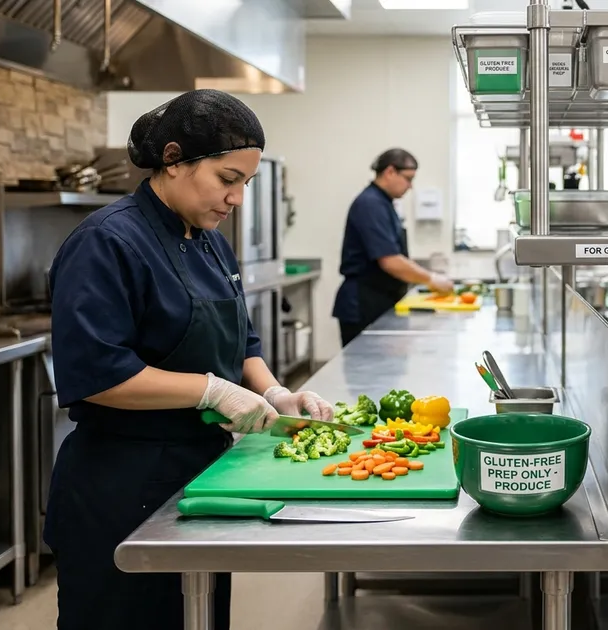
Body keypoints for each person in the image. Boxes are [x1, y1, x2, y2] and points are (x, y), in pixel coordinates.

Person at [44, 89, 335, 630]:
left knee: (197, 615)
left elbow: (242, 343)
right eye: (228, 179)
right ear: (174, 160)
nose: (236, 199)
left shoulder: (211, 241)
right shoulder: (107, 242)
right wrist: (211, 390)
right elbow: (98, 374)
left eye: (246, 183)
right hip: (122, 486)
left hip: (201, 477)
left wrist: (276, 393)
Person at [333, 149, 454, 345]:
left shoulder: (383, 203)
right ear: (390, 172)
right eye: (408, 179)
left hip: (379, 299)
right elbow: (390, 260)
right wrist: (431, 279)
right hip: (364, 303)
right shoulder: (370, 204)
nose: (410, 186)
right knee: (366, 363)